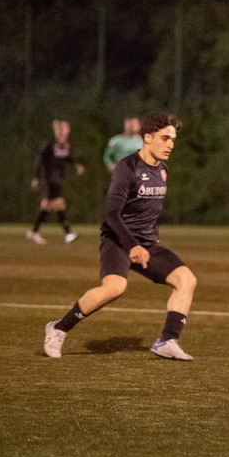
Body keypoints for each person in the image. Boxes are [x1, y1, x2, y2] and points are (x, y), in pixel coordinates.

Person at [43, 112, 197, 360]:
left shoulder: (162, 169)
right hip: (118, 241)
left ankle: (167, 341)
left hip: (146, 245)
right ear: (148, 137)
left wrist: (148, 239)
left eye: (173, 139)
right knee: (115, 288)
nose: (170, 144)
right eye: (165, 138)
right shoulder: (127, 168)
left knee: (186, 279)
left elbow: (149, 210)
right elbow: (112, 214)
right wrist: (132, 245)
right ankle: (59, 328)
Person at [26, 119, 85, 245]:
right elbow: (40, 160)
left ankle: (34, 231)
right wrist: (36, 177)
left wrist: (76, 165)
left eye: (65, 129)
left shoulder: (65, 145)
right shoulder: (49, 145)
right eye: (60, 129)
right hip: (50, 180)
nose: (63, 131)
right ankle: (67, 233)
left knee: (47, 206)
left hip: (59, 179)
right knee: (59, 203)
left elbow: (67, 158)